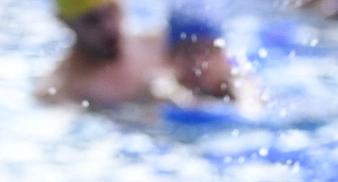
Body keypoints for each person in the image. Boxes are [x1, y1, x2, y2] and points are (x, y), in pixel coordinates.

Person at [37, 0, 241, 107]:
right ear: (64, 22)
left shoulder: (157, 43)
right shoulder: (63, 87)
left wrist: (245, 99)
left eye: (112, 11)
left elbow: (229, 70)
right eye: (93, 20)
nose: (109, 27)